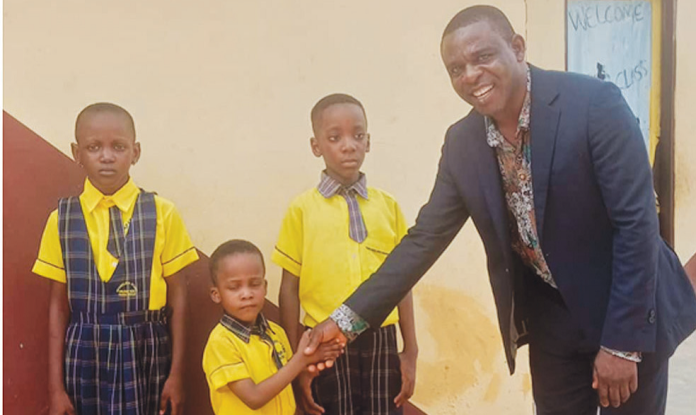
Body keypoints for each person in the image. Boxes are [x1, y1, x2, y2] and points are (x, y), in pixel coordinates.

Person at [304, 6, 696, 415]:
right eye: (456, 68)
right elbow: (422, 241)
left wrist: (622, 344)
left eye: (482, 57)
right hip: (553, 320)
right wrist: (345, 321)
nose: (469, 75)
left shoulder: (594, 106)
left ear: (518, 48)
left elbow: (636, 226)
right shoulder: (463, 143)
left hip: (627, 310)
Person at [33, 103, 199, 415]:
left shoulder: (162, 213)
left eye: (118, 147)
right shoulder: (61, 220)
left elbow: (179, 295)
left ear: (135, 152)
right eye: (94, 147)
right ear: (76, 152)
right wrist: (55, 388)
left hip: (147, 349)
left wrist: (176, 375)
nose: (107, 156)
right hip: (85, 350)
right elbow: (57, 306)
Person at [272, 93, 418, 414]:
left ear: (369, 142)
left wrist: (411, 351)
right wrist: (298, 359)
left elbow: (401, 283)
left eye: (358, 135)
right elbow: (289, 288)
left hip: (382, 338)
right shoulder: (302, 209)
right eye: (335, 137)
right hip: (325, 343)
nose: (348, 145)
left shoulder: (388, 207)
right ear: (316, 146)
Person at [202, 239, 343, 414]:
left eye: (254, 284)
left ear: (265, 287)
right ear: (216, 294)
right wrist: (301, 360)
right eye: (234, 287)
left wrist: (309, 362)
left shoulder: (276, 332)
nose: (247, 294)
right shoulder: (221, 342)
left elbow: (286, 377)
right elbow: (253, 398)